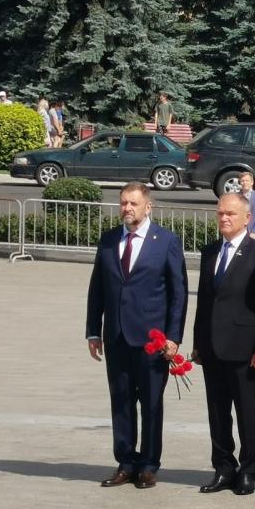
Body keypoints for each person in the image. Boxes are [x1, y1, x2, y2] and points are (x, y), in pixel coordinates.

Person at [86, 182, 188, 489]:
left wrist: (173, 337)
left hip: (151, 341)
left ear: (148, 207)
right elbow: (97, 289)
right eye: (123, 203)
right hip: (116, 336)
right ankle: (125, 462)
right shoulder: (109, 241)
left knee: (152, 403)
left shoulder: (166, 241)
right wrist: (93, 331)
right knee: (121, 400)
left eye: (133, 203)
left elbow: (178, 293)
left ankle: (148, 464)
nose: (127, 208)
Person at [192, 194, 255, 496]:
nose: (224, 218)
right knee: (217, 412)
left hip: (245, 349)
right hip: (213, 348)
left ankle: (248, 470)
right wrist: (197, 342)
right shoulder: (210, 252)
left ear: (246, 217)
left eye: (230, 214)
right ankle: (223, 467)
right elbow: (204, 300)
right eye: (220, 214)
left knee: (248, 413)